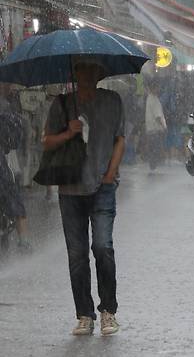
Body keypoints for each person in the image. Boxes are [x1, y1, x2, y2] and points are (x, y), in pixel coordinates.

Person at [42, 59, 125, 336]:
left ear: (100, 74)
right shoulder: (62, 104)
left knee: (102, 247)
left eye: (92, 70)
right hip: (70, 189)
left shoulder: (112, 100)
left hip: (102, 186)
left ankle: (108, 311)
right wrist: (69, 132)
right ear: (74, 74)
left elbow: (119, 139)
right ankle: (84, 315)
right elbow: (47, 142)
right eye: (81, 70)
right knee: (77, 254)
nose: (87, 74)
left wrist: (110, 174)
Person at [0, 91, 30, 252]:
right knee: (13, 198)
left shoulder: (5, 109)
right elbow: (12, 142)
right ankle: (24, 241)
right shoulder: (6, 110)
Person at [144, 83, 166, 171]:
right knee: (155, 148)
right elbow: (158, 116)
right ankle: (154, 166)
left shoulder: (149, 98)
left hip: (150, 128)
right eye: (157, 87)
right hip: (155, 129)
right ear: (154, 88)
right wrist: (164, 126)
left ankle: (152, 165)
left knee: (152, 147)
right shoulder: (154, 99)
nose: (159, 89)